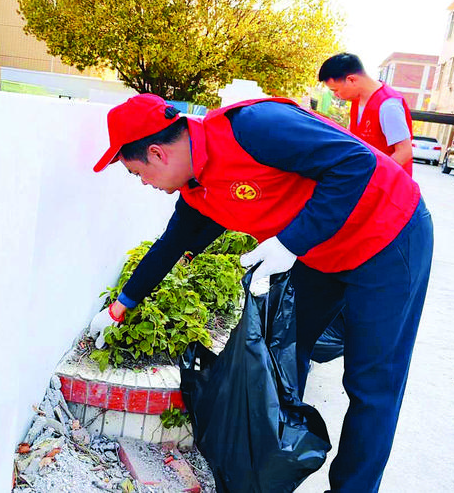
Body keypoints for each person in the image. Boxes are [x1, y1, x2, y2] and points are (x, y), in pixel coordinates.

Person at [90, 93, 433, 492]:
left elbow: (356, 164)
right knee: (279, 355)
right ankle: (274, 470)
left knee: (372, 384)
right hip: (321, 252)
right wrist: (120, 306)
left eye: (137, 173)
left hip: (388, 236)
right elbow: (171, 245)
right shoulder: (198, 189)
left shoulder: (256, 126)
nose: (144, 184)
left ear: (156, 153)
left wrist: (289, 242)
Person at [319, 53, 414, 175]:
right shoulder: (357, 100)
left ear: (351, 80)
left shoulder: (388, 105)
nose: (335, 95)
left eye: (335, 90)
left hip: (388, 186)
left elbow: (404, 152)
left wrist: (373, 177)